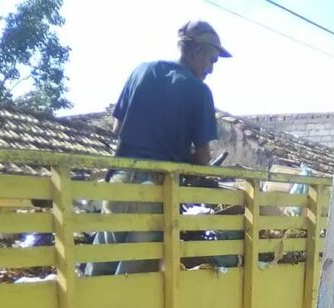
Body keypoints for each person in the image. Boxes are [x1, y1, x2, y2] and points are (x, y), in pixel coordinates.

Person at [85, 20, 231, 276]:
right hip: (154, 190)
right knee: (135, 275)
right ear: (197, 53)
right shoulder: (199, 91)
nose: (211, 69)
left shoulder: (141, 71)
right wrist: (186, 161)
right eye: (211, 60)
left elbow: (116, 130)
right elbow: (204, 156)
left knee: (100, 264)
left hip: (118, 182)